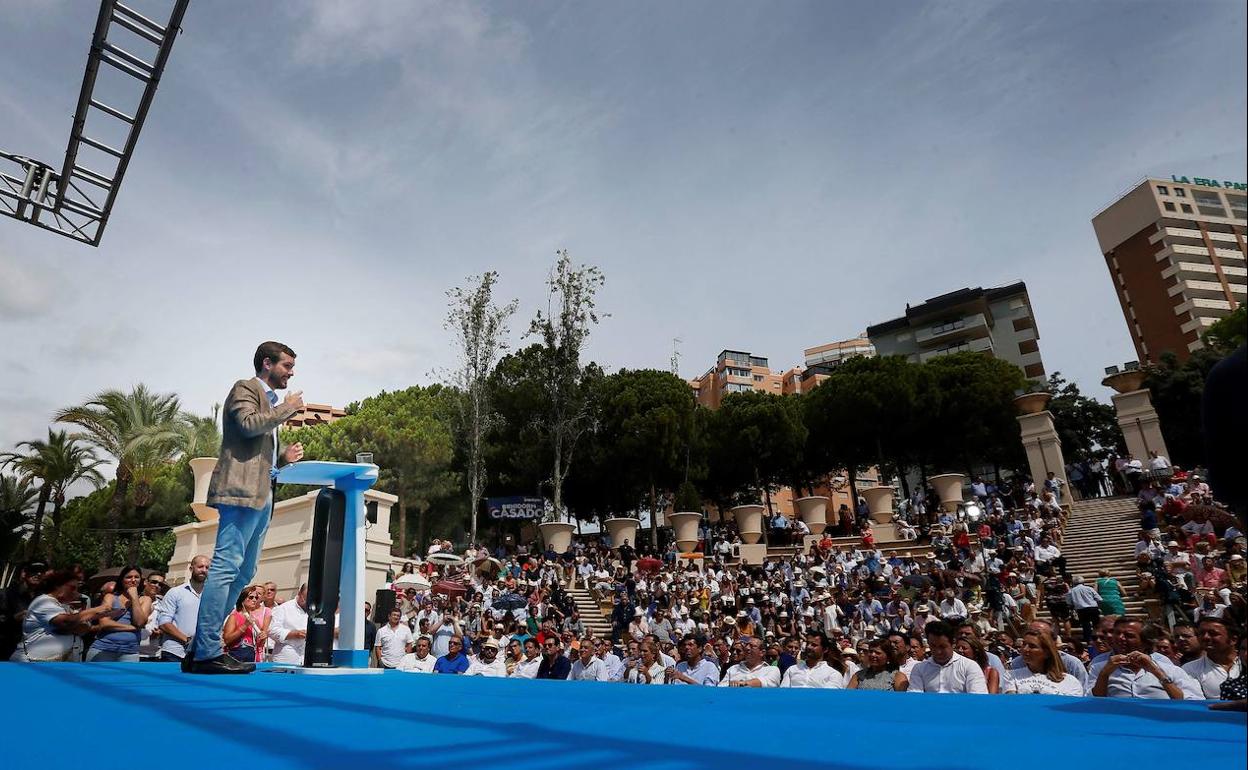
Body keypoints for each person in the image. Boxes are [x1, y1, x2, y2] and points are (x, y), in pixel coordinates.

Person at [188, 341, 305, 675]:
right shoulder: (246, 388)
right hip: (241, 494)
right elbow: (248, 425)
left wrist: (282, 460)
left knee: (244, 573)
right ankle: (207, 652)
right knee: (226, 568)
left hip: (262, 496)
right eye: (287, 365)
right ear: (267, 363)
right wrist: (287, 408)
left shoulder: (268, 404)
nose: (291, 373)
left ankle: (199, 648)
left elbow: (256, 457)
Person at [10, 569, 122, 662]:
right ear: (58, 586)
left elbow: (82, 628)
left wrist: (76, 622)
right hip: (31, 663)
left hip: (54, 665)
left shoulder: (64, 607)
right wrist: (101, 608)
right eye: (72, 588)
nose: (77, 593)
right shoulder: (44, 602)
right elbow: (67, 622)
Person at [1088, 617, 1201, 699]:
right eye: (1117, 633)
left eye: (1129, 635)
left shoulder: (1170, 669)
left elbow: (1190, 700)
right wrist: (1104, 674)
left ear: (1145, 642)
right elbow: (1092, 702)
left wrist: (1156, 672)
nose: (1120, 638)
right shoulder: (1099, 668)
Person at [86, 565, 152, 663]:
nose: (133, 580)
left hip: (129, 652)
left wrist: (134, 597)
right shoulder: (110, 597)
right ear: (122, 580)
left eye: (136, 577)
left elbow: (139, 622)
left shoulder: (145, 599)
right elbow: (104, 623)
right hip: (103, 648)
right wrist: (132, 628)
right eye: (129, 577)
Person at [907, 621, 988, 694]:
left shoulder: (970, 666)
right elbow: (914, 698)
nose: (938, 651)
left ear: (953, 643)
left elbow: (978, 698)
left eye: (942, 647)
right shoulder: (919, 669)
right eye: (933, 646)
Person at [157, 556, 209, 664]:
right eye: (200, 567)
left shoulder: (211, 596)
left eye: (207, 567)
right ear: (191, 568)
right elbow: (164, 623)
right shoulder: (175, 592)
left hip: (200, 655)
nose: (204, 570)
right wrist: (187, 640)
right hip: (174, 653)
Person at [1003, 630, 1084, 696]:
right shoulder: (1011, 676)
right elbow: (1012, 703)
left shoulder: (1070, 682)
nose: (1025, 649)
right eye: (1024, 644)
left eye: (1032, 646)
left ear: (1046, 653)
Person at [1182, 617, 1243, 699]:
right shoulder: (1190, 669)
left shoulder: (1243, 663)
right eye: (1201, 633)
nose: (1205, 637)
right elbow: (1194, 701)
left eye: (1213, 634)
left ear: (1233, 640)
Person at [0, 562, 46, 661]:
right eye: (34, 570)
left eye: (42, 572)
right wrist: (14, 618)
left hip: (35, 651)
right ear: (24, 573)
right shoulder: (6, 594)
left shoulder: (44, 598)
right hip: (7, 650)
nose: (38, 574)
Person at [222, 585, 270, 664]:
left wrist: (263, 638)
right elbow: (227, 640)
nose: (254, 600)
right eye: (251, 597)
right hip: (234, 656)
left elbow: (258, 645)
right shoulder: (234, 616)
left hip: (250, 657)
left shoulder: (255, 620)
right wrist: (245, 625)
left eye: (256, 598)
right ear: (242, 599)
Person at [268, 584, 310, 665]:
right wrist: (293, 634)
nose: (307, 602)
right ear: (299, 594)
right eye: (305, 598)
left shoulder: (315, 609)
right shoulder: (283, 608)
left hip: (306, 657)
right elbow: (272, 630)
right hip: (286, 658)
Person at [1066, 576, 1101, 643]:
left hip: (1082, 610)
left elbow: (1069, 603)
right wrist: (1098, 607)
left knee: (1086, 625)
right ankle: (1097, 638)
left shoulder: (1071, 591)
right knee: (1096, 624)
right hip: (1093, 607)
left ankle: (1089, 640)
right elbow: (1099, 599)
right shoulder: (1089, 588)